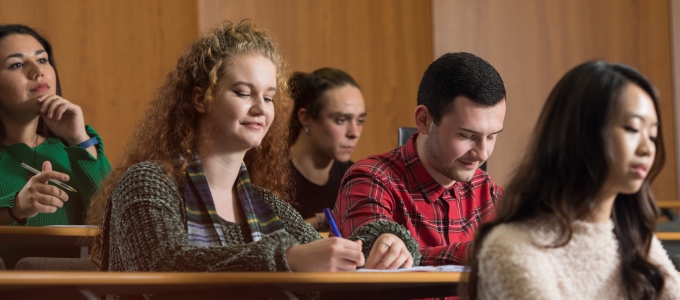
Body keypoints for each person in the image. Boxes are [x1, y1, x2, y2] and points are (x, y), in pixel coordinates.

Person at [85, 21, 417, 296]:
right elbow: (165, 265)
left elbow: (338, 250)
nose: (261, 108)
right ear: (201, 99)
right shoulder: (148, 181)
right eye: (243, 93)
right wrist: (287, 256)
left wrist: (390, 243)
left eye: (269, 97)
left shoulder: (263, 204)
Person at [464, 61, 680, 299]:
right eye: (632, 129)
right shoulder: (512, 248)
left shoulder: (634, 240)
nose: (648, 148)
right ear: (582, 134)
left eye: (653, 134)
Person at [334, 52, 506, 266]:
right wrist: (481, 252)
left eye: (491, 136)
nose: (482, 153)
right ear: (424, 120)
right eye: (466, 135)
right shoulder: (370, 179)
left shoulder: (487, 191)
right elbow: (377, 258)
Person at [0, 24, 111, 268]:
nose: (37, 71)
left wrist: (79, 139)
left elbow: (116, 215)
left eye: (42, 59)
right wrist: (15, 207)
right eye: (16, 64)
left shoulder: (74, 149)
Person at [287, 68, 365, 230]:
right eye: (341, 120)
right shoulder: (267, 175)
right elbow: (263, 241)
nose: (354, 133)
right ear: (306, 118)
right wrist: (325, 219)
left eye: (359, 121)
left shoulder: (355, 177)